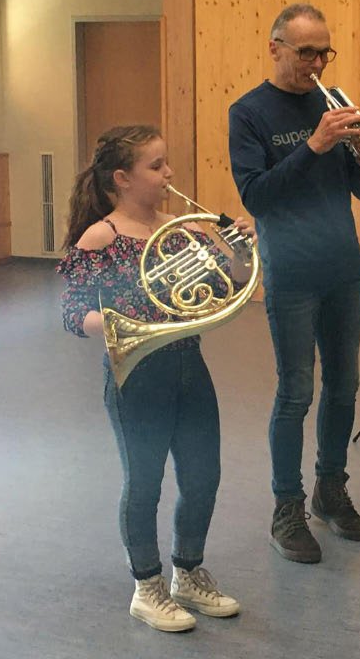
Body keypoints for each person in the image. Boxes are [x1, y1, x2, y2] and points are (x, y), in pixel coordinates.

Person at [57, 124, 253, 632]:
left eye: (166, 163)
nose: (169, 173)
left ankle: (187, 574)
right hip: (136, 375)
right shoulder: (102, 236)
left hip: (190, 367)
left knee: (203, 477)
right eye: (156, 166)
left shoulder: (183, 230)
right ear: (122, 179)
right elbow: (73, 312)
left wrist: (240, 252)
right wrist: (125, 327)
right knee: (144, 483)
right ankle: (147, 586)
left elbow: (228, 286)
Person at [228, 3, 360, 564]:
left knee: (345, 385)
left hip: (342, 265)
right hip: (291, 271)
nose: (316, 64)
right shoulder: (248, 113)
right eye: (306, 52)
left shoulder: (330, 102)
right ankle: (286, 508)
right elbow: (257, 197)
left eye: (324, 53)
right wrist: (313, 145)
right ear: (275, 48)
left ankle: (330, 489)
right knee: (295, 392)